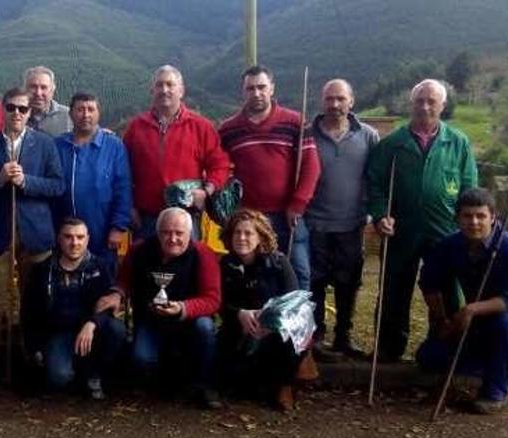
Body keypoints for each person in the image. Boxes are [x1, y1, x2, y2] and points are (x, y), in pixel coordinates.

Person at [367, 79, 478, 361]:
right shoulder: (392, 144)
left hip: (446, 230)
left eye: (432, 101)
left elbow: (469, 188)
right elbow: (375, 185)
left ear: (443, 105)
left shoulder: (458, 142)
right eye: (420, 101)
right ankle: (389, 350)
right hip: (401, 230)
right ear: (411, 103)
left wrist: (466, 226)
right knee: (394, 289)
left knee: (447, 290)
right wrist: (381, 215)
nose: (425, 106)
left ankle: (446, 348)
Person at [0, 87, 65, 383]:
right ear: (3, 110)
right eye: (11, 108)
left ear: (30, 113)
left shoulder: (45, 145)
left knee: (34, 299)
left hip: (35, 234)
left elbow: (57, 186)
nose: (17, 113)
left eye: (23, 109)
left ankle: (33, 355)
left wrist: (26, 181)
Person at [97, 207, 221, 409]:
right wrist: (116, 294)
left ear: (190, 234)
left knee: (205, 327)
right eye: (166, 232)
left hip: (188, 321)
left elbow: (213, 299)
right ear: (157, 232)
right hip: (150, 319)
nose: (172, 238)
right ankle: (164, 379)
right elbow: (124, 280)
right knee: (142, 359)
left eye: (179, 233)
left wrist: (182, 308)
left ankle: (205, 385)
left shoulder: (203, 254)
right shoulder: (139, 249)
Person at [218, 65, 321, 290]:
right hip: (249, 217)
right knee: (258, 274)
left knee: (298, 271)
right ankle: (261, 320)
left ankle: (297, 323)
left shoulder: (295, 122)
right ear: (242, 91)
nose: (256, 93)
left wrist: (299, 203)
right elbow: (221, 169)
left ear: (272, 88)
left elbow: (311, 166)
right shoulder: (228, 129)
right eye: (250, 88)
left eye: (262, 87)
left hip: (288, 214)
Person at [416, 188, 508, 414]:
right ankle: (495, 367)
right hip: (476, 325)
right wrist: (442, 321)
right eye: (467, 216)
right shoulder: (450, 245)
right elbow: (429, 282)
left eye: (481, 216)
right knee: (428, 356)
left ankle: (495, 391)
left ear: (493, 217)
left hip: (503, 321)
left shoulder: (507, 247)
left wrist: (470, 310)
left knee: (504, 325)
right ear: (457, 218)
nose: (474, 222)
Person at [307, 79, 379, 358]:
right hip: (314, 223)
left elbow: (375, 178)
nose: (334, 104)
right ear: (321, 101)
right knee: (315, 282)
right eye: (329, 99)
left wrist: (374, 212)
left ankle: (343, 336)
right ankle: (316, 336)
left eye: (340, 99)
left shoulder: (369, 136)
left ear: (352, 101)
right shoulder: (307, 134)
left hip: (352, 224)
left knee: (348, 282)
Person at [22, 218, 126, 399]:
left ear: (87, 239)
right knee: (59, 378)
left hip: (92, 330)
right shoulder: (43, 270)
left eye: (79, 237)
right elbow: (29, 311)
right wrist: (34, 347)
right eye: (68, 237)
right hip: (58, 332)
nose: (74, 243)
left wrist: (92, 323)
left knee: (116, 329)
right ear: (59, 239)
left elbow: (111, 306)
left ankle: (95, 374)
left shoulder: (101, 267)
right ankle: (74, 373)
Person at [123, 65, 230, 239]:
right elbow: (123, 171)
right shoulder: (136, 127)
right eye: (159, 85)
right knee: (145, 265)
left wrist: (207, 191)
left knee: (186, 265)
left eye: (170, 84)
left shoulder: (201, 126)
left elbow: (220, 164)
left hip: (186, 216)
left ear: (181, 90)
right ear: (152, 90)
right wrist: (128, 206)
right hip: (146, 218)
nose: (164, 90)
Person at [218, 209, 301, 411]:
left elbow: (293, 301)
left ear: (260, 236)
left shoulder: (279, 263)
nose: (241, 238)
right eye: (237, 232)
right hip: (238, 326)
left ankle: (284, 386)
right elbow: (218, 302)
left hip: (275, 328)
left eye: (248, 233)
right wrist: (239, 313)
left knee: (290, 341)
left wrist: (270, 323)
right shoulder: (224, 264)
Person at [54, 92, 132, 266]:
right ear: (71, 113)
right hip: (65, 233)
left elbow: (123, 188)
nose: (86, 114)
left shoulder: (113, 146)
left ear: (99, 113)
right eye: (80, 109)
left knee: (102, 282)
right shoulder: (58, 145)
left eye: (91, 109)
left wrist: (118, 227)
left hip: (102, 231)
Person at [24, 66, 72, 137]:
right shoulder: (14, 114)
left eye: (43, 87)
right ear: (25, 89)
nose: (38, 93)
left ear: (52, 90)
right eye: (33, 87)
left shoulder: (68, 117)